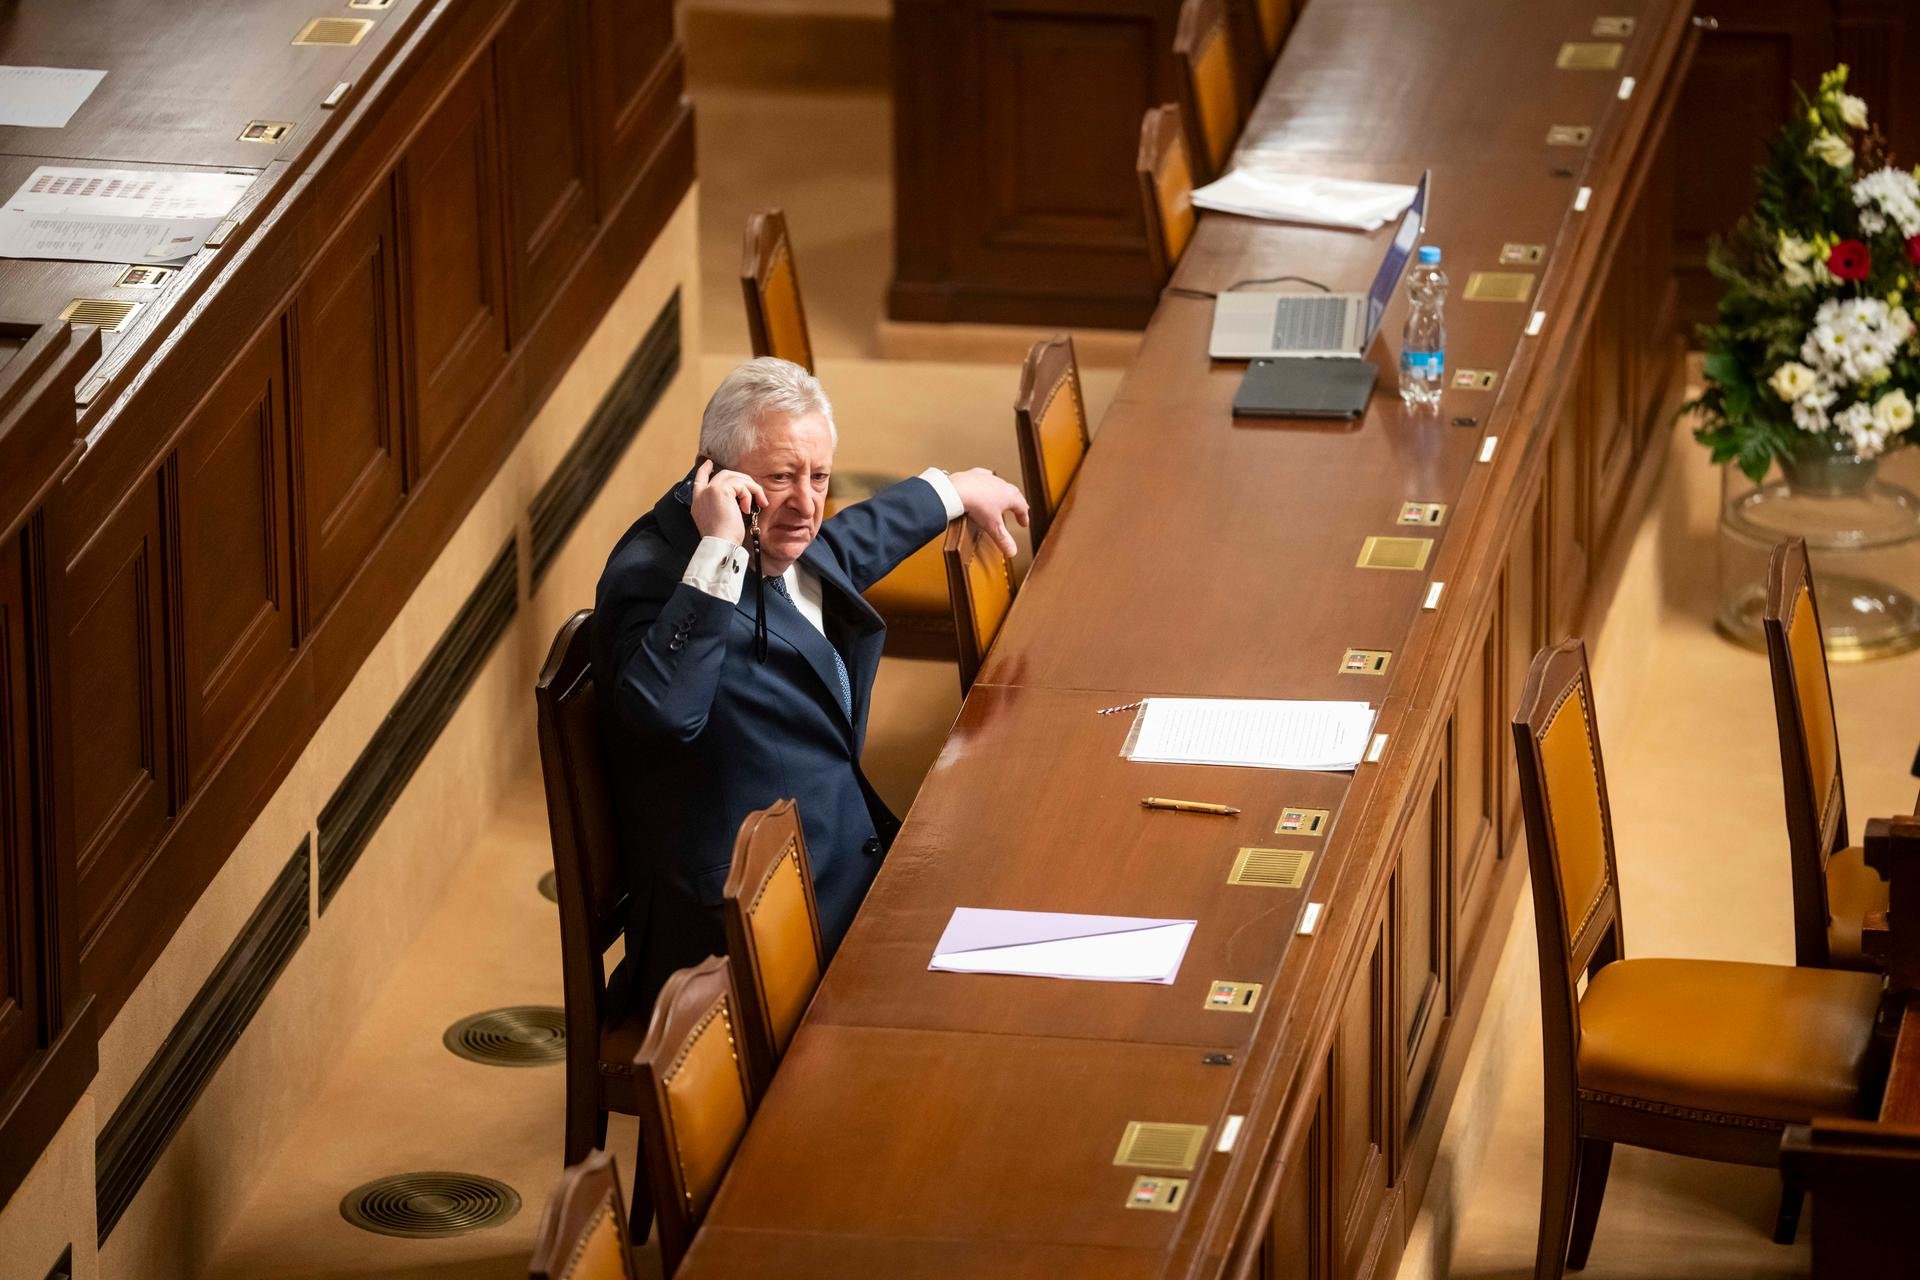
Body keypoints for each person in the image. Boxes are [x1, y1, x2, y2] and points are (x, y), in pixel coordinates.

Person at [594, 357, 1030, 1005]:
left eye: (820, 476)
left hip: (836, 866)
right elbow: (665, 711)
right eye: (781, 477)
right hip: (742, 929)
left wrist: (951, 488)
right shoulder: (655, 573)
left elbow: (844, 546)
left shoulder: (787, 531)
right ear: (717, 473)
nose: (806, 504)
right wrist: (717, 551)